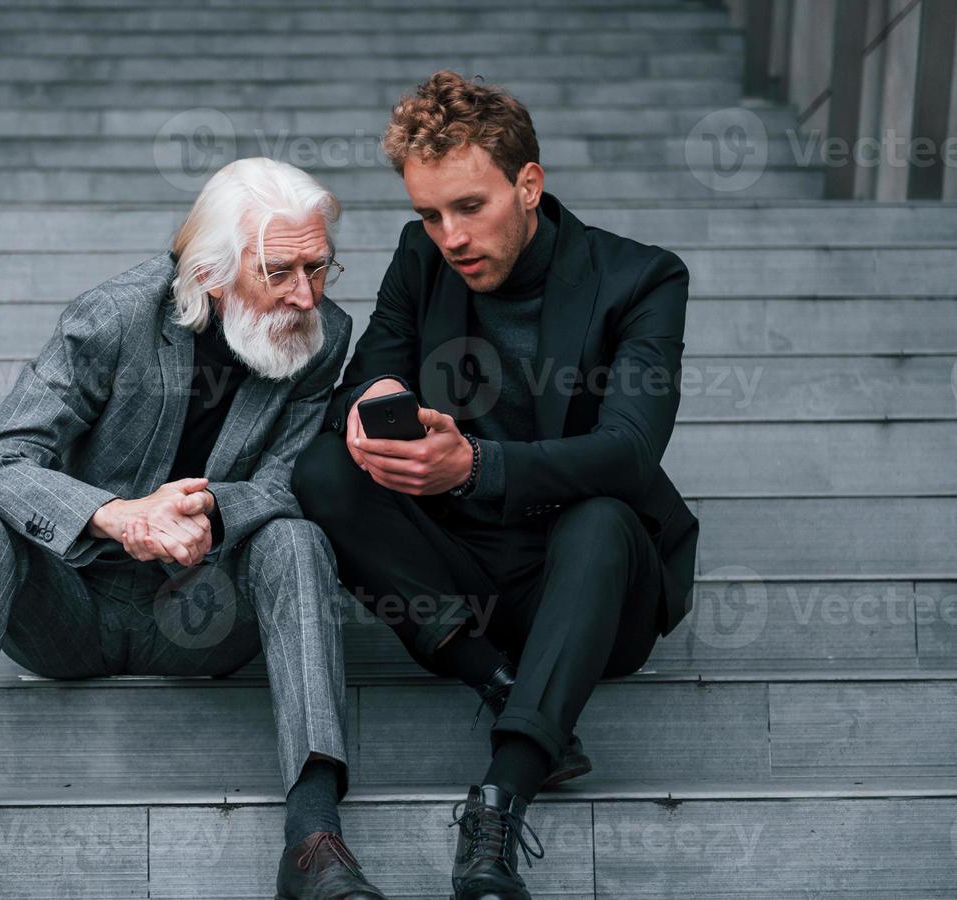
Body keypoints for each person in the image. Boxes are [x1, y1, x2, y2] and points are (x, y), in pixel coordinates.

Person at [0, 158, 389, 900]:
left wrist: (211, 512)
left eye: (319, 266)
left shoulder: (322, 335)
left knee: (297, 539)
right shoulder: (114, 318)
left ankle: (314, 842)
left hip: (205, 616)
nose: (305, 295)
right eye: (280, 272)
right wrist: (120, 516)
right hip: (72, 608)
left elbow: (283, 482)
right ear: (210, 272)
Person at [292, 71, 699, 900]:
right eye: (430, 214)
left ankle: (500, 798)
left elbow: (628, 448)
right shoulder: (421, 259)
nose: (450, 235)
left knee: (604, 518)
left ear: (529, 184)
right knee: (323, 468)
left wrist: (476, 463)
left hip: (591, 585)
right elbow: (366, 376)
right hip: (462, 578)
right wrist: (370, 402)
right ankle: (496, 677)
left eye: (469, 207)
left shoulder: (642, 279)